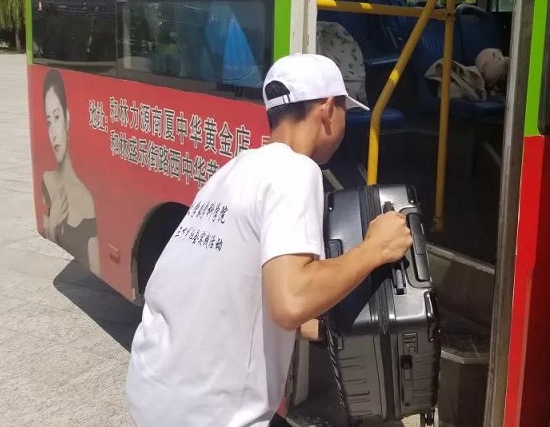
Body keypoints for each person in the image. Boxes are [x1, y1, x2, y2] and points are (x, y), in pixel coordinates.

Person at [126, 53, 413, 427]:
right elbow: (290, 301)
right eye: (345, 110)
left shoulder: (233, 170)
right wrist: (375, 249)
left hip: (152, 388)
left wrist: (320, 327)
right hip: (208, 415)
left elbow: (245, 290)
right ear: (328, 110)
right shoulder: (296, 171)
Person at [40, 69, 100, 275]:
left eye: (57, 117)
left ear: (67, 118)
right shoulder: (47, 180)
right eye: (48, 122)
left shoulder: (86, 199)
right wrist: (53, 225)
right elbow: (45, 229)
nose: (53, 134)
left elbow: (96, 267)